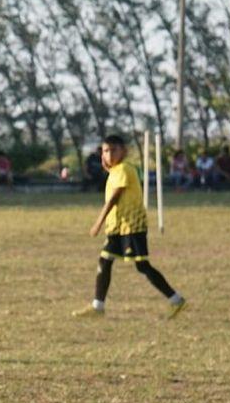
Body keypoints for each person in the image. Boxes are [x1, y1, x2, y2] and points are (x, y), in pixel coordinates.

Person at [76, 134, 186, 319]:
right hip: (118, 228)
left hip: (132, 226)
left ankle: (176, 300)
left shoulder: (125, 169)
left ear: (124, 151)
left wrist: (98, 222)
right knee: (105, 260)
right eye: (105, 151)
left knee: (142, 265)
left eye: (113, 150)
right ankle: (98, 306)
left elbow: (114, 199)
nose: (109, 154)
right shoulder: (116, 170)